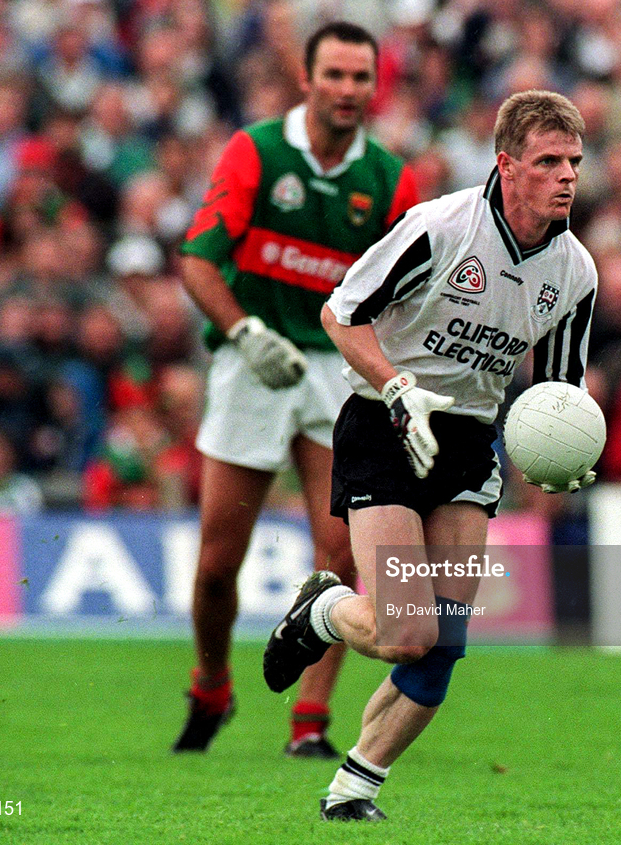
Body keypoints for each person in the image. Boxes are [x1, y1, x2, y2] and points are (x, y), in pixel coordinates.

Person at [263, 89, 597, 820]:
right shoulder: (440, 228)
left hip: (469, 439)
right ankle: (325, 609)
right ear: (507, 165)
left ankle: (354, 789)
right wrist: (395, 385)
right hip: (385, 425)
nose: (568, 175)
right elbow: (340, 314)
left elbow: (557, 395)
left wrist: (565, 456)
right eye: (549, 161)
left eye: (574, 160)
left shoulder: (575, 271)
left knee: (443, 640)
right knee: (405, 631)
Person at [173, 21, 419, 756]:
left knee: (339, 554)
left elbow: (406, 296)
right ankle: (211, 684)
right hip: (255, 359)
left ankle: (309, 721)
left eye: (360, 77)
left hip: (338, 369)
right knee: (217, 565)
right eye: (334, 75)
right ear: (306, 80)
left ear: (375, 86)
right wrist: (245, 332)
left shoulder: (390, 180)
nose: (347, 89)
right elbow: (197, 261)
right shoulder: (257, 151)